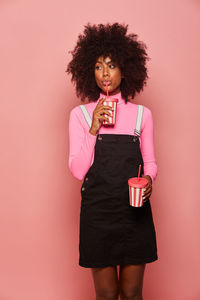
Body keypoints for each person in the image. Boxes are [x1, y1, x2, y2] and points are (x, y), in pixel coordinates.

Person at [66, 22, 158, 300]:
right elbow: (78, 170)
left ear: (125, 69)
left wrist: (149, 180)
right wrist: (94, 128)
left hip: (135, 212)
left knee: (131, 293)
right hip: (98, 214)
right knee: (106, 295)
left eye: (111, 64)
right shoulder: (80, 115)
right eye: (97, 66)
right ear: (88, 71)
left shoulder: (143, 115)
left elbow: (151, 162)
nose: (105, 73)